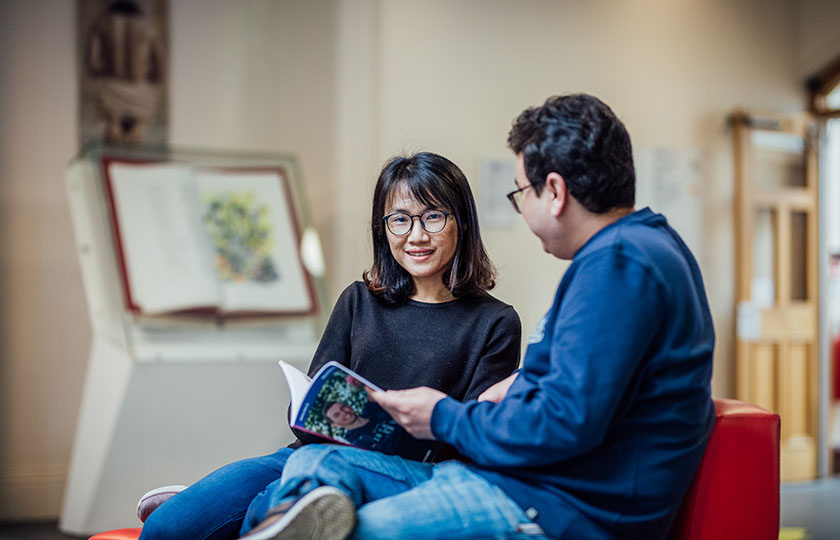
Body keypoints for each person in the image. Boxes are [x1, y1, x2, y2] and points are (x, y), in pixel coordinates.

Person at [239, 94, 716, 540]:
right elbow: (587, 390)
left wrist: (444, 416)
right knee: (321, 463)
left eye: (520, 193)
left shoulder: (619, 265)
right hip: (523, 483)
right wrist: (527, 382)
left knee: (362, 528)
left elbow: (567, 423)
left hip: (555, 506)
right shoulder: (642, 250)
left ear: (554, 191)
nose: (522, 207)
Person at [138, 152, 522, 540]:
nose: (416, 235)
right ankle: (229, 508)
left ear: (462, 222)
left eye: (433, 216)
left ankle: (245, 514)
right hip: (307, 457)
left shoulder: (495, 322)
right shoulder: (359, 301)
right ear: (383, 228)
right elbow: (305, 412)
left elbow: (474, 439)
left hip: (399, 476)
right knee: (165, 528)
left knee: (271, 514)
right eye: (400, 220)